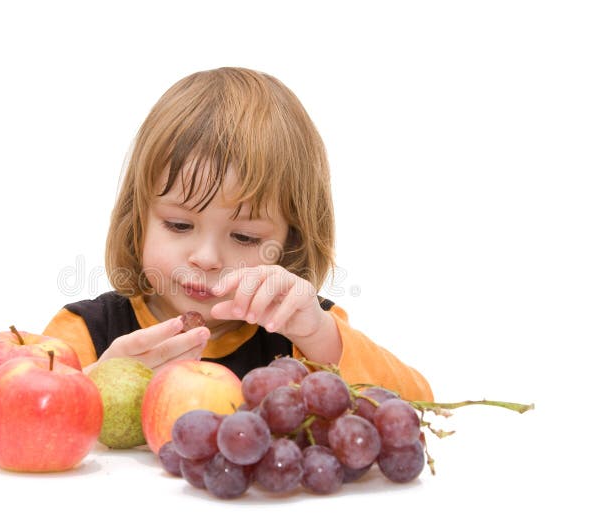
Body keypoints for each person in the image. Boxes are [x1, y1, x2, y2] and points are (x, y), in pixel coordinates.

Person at [44, 67, 433, 401]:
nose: (207, 257)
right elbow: (23, 409)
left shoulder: (302, 335)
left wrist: (321, 337)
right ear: (138, 219)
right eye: (179, 225)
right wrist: (96, 383)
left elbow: (416, 406)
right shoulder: (85, 331)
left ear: (289, 242)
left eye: (245, 237)